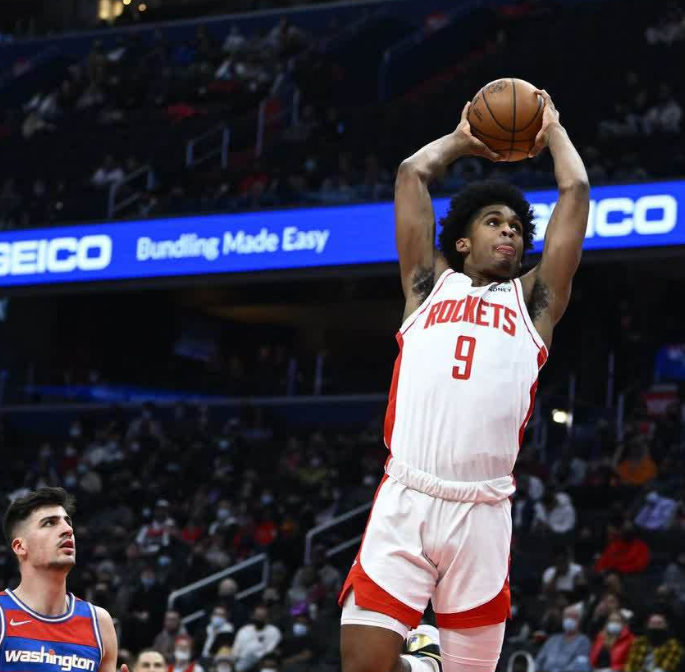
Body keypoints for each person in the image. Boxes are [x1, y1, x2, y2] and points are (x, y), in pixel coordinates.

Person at [339, 92, 590, 672]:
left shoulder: (535, 301)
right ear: (461, 241)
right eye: (493, 222)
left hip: (481, 511)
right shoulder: (427, 285)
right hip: (407, 497)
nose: (510, 232)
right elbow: (411, 174)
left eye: (517, 227)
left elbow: (575, 191)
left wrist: (553, 129)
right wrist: (461, 141)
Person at [0, 487, 129, 672]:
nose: (68, 530)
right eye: (49, 523)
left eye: (68, 522)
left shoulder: (100, 623)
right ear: (20, 547)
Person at [533, 605, 591, 672]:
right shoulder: (553, 639)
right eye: (567, 617)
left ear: (580, 621)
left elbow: (578, 665)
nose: (570, 620)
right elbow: (539, 660)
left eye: (574, 617)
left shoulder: (584, 642)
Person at [232, 604, 282, 671]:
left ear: (267, 617)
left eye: (263, 617)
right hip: (242, 659)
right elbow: (235, 650)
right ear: (253, 616)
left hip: (262, 661)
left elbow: (269, 651)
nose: (260, 619)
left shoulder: (273, 631)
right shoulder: (244, 630)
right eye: (258, 616)